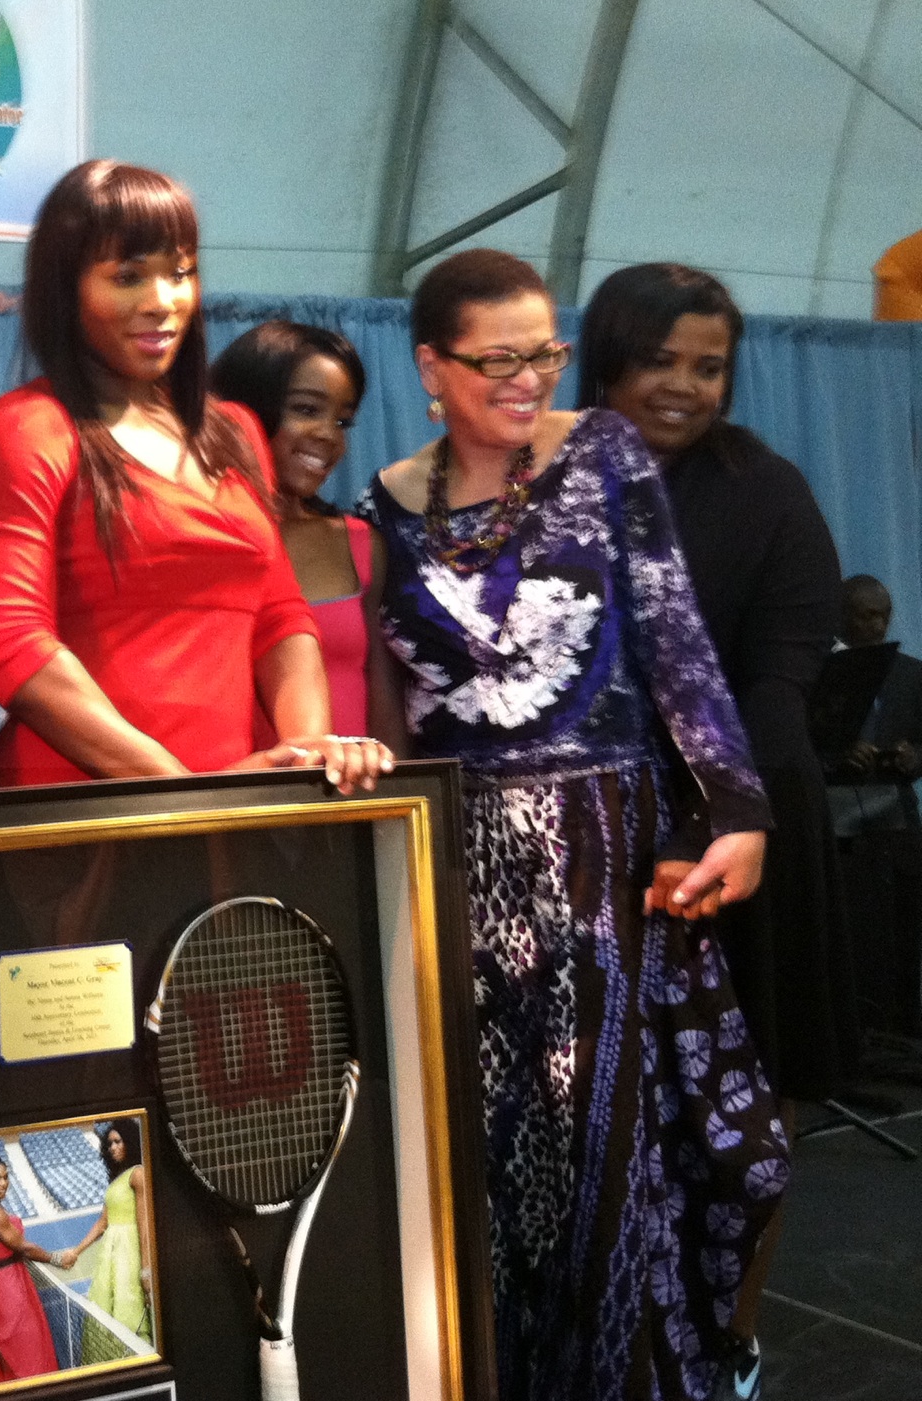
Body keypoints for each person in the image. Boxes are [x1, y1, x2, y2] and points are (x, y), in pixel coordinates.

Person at [361, 248, 787, 1401]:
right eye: (495, 358)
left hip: (603, 844)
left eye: (541, 353)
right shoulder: (381, 509)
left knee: (635, 1148)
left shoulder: (600, 452)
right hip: (452, 864)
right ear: (430, 366)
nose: (524, 378)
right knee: (494, 1164)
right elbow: (383, 707)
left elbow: (672, 633)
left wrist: (734, 806)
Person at [580, 260, 855, 1399]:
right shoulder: (551, 477)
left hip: (744, 820)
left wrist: (722, 817)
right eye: (660, 361)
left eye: (708, 367)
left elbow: (780, 679)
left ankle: (732, 1335)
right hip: (591, 826)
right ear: (607, 358)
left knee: (755, 1105)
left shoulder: (768, 489)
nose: (684, 386)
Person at [0, 160, 390, 791]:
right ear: (67, 288)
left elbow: (281, 616)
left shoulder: (235, 431)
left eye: (180, 272)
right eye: (128, 276)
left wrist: (305, 754)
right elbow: (12, 643)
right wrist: (181, 793)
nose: (162, 301)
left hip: (223, 804)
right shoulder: (28, 428)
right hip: (75, 811)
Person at [211, 319, 374, 736]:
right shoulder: (205, 542)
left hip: (356, 778)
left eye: (343, 422)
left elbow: (383, 702)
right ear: (247, 406)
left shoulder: (359, 543)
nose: (328, 435)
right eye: (306, 410)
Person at [818, 575, 922, 1037]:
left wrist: (914, 758)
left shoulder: (911, 673)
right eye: (866, 616)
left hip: (899, 825)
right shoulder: (817, 675)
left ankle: (906, 1036)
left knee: (906, 933)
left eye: (884, 616)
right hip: (841, 829)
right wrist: (835, 757)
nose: (878, 626)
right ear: (841, 616)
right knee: (855, 939)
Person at [0, 1158, 65, 1382]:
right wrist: (57, 1259)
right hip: (9, 1289)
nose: (3, 1183)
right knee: (27, 1351)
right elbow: (24, 1248)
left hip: (4, 1282)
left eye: (6, 1177)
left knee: (20, 1351)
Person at [62, 1121, 153, 1342]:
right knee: (109, 1307)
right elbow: (102, 1222)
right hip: (112, 1254)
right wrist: (76, 1251)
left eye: (118, 1141)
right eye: (110, 1143)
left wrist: (146, 1270)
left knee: (129, 1308)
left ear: (130, 1142)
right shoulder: (115, 1181)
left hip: (129, 1254)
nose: (113, 1147)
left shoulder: (138, 1173)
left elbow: (144, 1224)